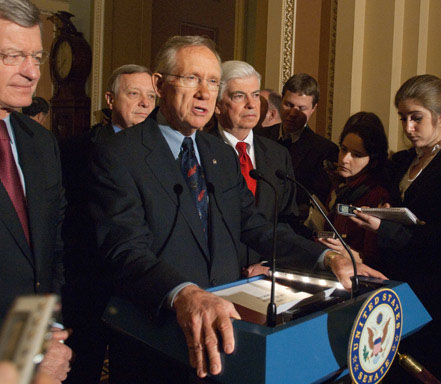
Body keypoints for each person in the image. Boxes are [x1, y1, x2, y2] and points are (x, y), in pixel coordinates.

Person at [88, 35, 386, 383]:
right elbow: (124, 249)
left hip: (228, 337)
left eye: (213, 81)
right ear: (158, 84)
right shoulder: (119, 153)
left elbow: (257, 227)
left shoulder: (220, 155)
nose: (204, 92)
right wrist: (184, 293)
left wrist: (326, 259)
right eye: (191, 78)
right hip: (157, 343)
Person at [61, 64, 156, 384]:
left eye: (151, 97)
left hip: (138, 292)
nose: (144, 103)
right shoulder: (76, 149)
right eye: (134, 94)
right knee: (81, 370)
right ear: (110, 99)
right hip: (88, 287)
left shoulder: (163, 153)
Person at [352, 74, 441, 381]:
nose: (408, 128)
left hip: (431, 289)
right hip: (395, 280)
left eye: (417, 119)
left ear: (439, 116)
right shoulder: (403, 160)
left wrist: (386, 227)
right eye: (403, 118)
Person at [0, 1, 71, 382]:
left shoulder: (41, 144)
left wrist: (40, 345)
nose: (31, 73)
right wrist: (14, 369)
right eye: (13, 56)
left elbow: (50, 253)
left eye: (37, 57)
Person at [213, 60, 298, 270]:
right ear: (217, 105)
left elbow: (288, 219)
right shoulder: (200, 151)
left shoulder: (278, 155)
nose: (252, 104)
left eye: (256, 95)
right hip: (216, 276)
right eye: (239, 96)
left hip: (264, 275)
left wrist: (269, 263)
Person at [257, 74, 339, 219]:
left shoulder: (324, 150)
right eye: (288, 105)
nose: (293, 113)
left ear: (313, 108)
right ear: (281, 100)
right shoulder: (259, 137)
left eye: (301, 108)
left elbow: (316, 203)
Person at [317, 112, 390, 269]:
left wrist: (345, 251)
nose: (344, 159)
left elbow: (373, 259)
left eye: (356, 155)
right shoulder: (342, 188)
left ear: (373, 161)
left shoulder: (376, 195)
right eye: (343, 149)